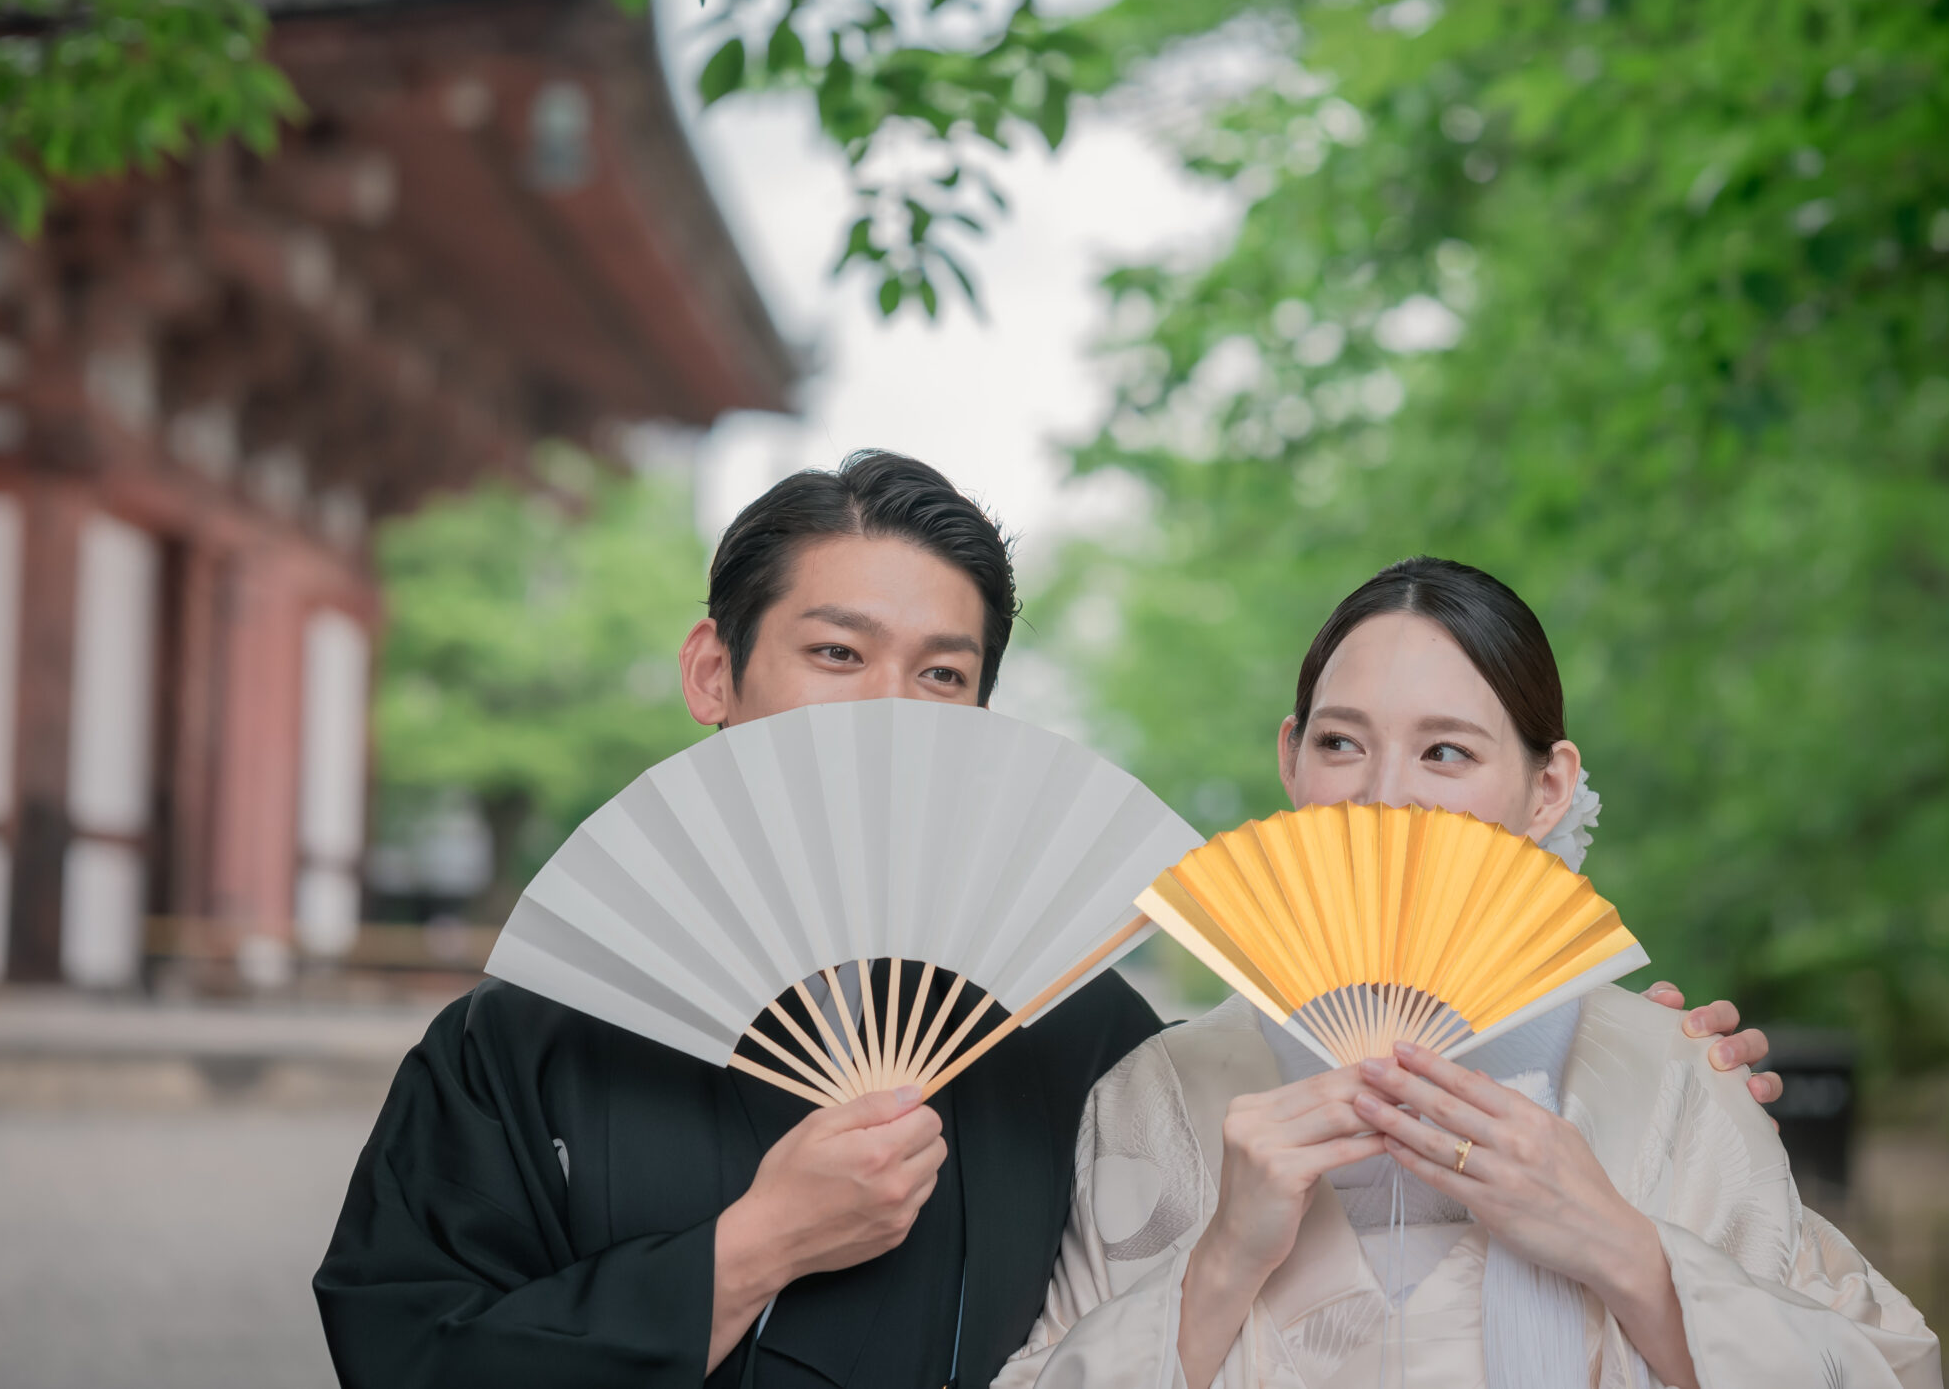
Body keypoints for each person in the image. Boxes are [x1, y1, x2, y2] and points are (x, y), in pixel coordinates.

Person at [315, 456, 1780, 1389]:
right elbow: (397, 1347)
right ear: (717, 669)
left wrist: (1605, 1063)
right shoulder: (526, 1040)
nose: (893, 710)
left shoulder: (1073, 1030)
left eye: (944, 674)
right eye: (838, 651)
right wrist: (750, 1247)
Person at [997, 558, 1941, 1389]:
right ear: (1290, 761)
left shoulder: (1676, 1078)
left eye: (1446, 751)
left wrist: (1626, 1252)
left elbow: (1883, 1371)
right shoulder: (1162, 1093)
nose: (1384, 794)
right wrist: (1221, 1265)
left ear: (1548, 790)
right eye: (1340, 743)